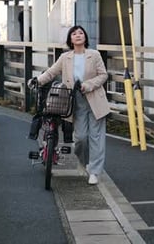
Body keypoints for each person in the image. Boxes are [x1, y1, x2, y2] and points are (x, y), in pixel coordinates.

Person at [27, 25, 111, 185]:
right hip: (74, 101)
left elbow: (103, 75)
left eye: (81, 33)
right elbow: (51, 72)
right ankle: (83, 161)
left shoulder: (94, 55)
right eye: (74, 33)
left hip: (95, 99)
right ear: (70, 39)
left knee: (96, 137)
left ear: (85, 37)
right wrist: (36, 81)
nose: (78, 35)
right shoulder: (65, 57)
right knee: (80, 138)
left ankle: (94, 171)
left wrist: (88, 85)